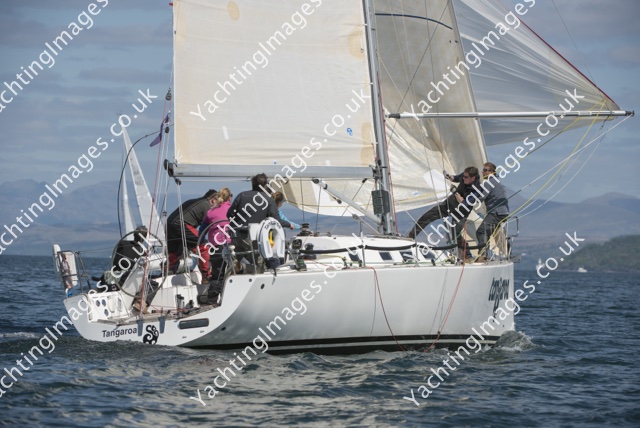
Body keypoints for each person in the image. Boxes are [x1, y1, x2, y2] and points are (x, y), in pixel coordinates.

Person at [408, 166, 481, 255]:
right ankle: (411, 236)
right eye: (464, 176)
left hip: (461, 212)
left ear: (473, 178)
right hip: (450, 204)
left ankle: (467, 255)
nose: (463, 178)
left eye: (466, 177)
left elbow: (463, 203)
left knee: (455, 233)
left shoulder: (476, 190)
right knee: (428, 216)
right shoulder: (464, 176)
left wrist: (455, 192)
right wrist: (448, 176)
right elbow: (456, 178)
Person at [227, 173, 280, 273]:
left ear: (252, 184)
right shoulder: (268, 199)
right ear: (265, 185)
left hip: (237, 237)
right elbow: (275, 220)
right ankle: (243, 268)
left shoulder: (242, 195)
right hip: (255, 239)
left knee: (238, 262)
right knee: (258, 268)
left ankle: (240, 268)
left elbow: (229, 215)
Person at [166, 189, 218, 278]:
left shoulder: (195, 201)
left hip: (169, 225)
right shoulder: (206, 206)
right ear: (213, 201)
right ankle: (206, 275)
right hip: (181, 225)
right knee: (203, 246)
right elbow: (210, 227)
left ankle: (168, 272)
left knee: (174, 253)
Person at [475, 162, 510, 261]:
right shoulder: (498, 182)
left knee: (481, 231)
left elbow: (481, 198)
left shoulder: (489, 182)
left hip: (496, 213)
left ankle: (482, 255)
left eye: (485, 170)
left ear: (491, 172)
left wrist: (467, 201)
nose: (483, 172)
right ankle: (508, 253)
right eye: (483, 170)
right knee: (492, 233)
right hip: (503, 213)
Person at [201, 188, 233, 282]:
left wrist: (201, 242)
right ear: (229, 198)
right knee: (235, 271)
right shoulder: (233, 210)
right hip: (231, 245)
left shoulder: (210, 212)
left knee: (217, 274)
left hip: (215, 247)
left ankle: (215, 289)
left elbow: (202, 230)